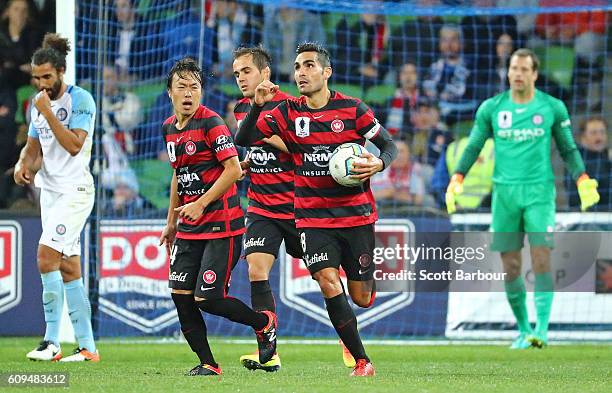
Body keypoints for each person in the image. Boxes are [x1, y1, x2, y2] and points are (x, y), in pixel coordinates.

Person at [235, 42, 398, 377]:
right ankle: (362, 361)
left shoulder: (353, 110)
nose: (301, 73)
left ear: (326, 72)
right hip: (312, 218)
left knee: (362, 296)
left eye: (309, 66)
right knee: (326, 280)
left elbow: (389, 144)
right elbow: (244, 138)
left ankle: (359, 287)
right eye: (297, 67)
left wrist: (379, 164)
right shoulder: (288, 112)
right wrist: (257, 107)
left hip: (355, 216)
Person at [445, 48, 600, 349]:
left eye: (523, 69)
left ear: (534, 74)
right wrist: (457, 178)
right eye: (513, 68)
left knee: (541, 256)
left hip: (539, 192)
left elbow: (568, 148)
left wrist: (582, 178)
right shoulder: (492, 108)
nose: (517, 74)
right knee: (511, 266)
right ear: (508, 72)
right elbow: (474, 144)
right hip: (504, 195)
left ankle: (541, 330)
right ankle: (523, 329)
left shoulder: (552, 107)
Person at [158, 57, 277, 376]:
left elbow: (234, 169)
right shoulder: (169, 127)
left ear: (201, 92)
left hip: (221, 225)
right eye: (181, 87)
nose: (188, 93)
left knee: (207, 298)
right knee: (180, 295)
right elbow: (177, 174)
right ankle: (208, 363)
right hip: (187, 228)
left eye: (194, 87)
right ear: (169, 92)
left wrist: (201, 203)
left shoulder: (211, 123)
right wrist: (171, 221)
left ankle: (263, 323)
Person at [13, 33, 99, 362]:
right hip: (49, 193)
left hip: (75, 192)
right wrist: (24, 165)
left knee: (46, 257)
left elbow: (75, 145)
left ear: (61, 71)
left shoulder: (81, 100)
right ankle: (88, 347)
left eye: (46, 77)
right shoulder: (38, 108)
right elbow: (34, 150)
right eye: (36, 78)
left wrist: (49, 113)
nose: (41, 84)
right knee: (67, 267)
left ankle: (51, 342)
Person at [231, 45, 300, 372]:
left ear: (265, 74)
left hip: (298, 205)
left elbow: (301, 149)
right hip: (261, 206)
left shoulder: (290, 105)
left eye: (246, 71)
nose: (240, 78)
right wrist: (248, 161)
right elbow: (251, 141)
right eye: (236, 74)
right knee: (256, 271)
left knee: (324, 275)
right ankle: (268, 352)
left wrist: (267, 136)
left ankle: (347, 338)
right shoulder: (242, 107)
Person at [565, 117, 610, 210]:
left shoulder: (606, 157)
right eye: (594, 133)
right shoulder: (576, 160)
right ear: (583, 136)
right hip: (586, 219)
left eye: (602, 132)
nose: (599, 137)